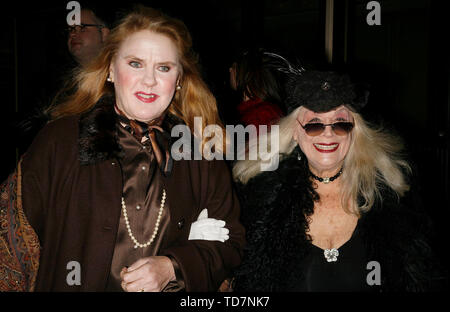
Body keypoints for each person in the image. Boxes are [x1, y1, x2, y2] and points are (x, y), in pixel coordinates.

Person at [0, 6, 245, 292]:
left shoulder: (200, 152)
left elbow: (232, 245)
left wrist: (174, 265)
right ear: (111, 70)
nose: (149, 80)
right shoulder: (60, 140)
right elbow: (10, 242)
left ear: (178, 81)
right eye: (135, 63)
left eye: (164, 68)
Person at [231, 70, 445, 291]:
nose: (328, 134)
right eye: (314, 124)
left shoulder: (390, 199)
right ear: (295, 132)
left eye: (340, 123)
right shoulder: (262, 202)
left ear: (355, 131)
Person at [229, 49, 295, 133]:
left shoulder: (261, 115)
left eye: (234, 67)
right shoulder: (256, 111)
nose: (230, 69)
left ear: (247, 74)